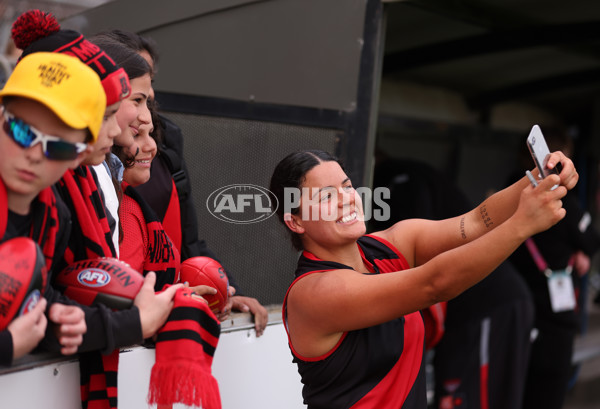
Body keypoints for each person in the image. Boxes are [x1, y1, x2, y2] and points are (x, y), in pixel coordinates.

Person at [269, 149, 577, 408]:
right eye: (325, 196)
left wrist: (541, 177)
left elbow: (475, 220)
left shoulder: (389, 245)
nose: (346, 199)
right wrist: (521, 225)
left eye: (347, 186)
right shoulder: (313, 292)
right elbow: (434, 284)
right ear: (295, 221)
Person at [93, 29, 269, 334]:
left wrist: (226, 288)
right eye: (134, 91)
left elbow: (189, 239)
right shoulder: (87, 175)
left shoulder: (167, 139)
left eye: (150, 86)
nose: (147, 101)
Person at [371, 157, 535, 409]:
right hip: (477, 310)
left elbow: (421, 270)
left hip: (486, 308)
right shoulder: (420, 180)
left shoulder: (402, 182)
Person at [0, 52, 100, 365]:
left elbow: (29, 291)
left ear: (78, 157)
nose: (33, 154)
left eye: (56, 145)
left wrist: (53, 315)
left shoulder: (55, 217)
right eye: (21, 132)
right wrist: (7, 346)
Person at [506, 128, 600, 409]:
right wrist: (581, 248)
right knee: (546, 394)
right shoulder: (557, 197)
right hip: (551, 321)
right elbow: (591, 239)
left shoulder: (508, 189)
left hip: (516, 312)